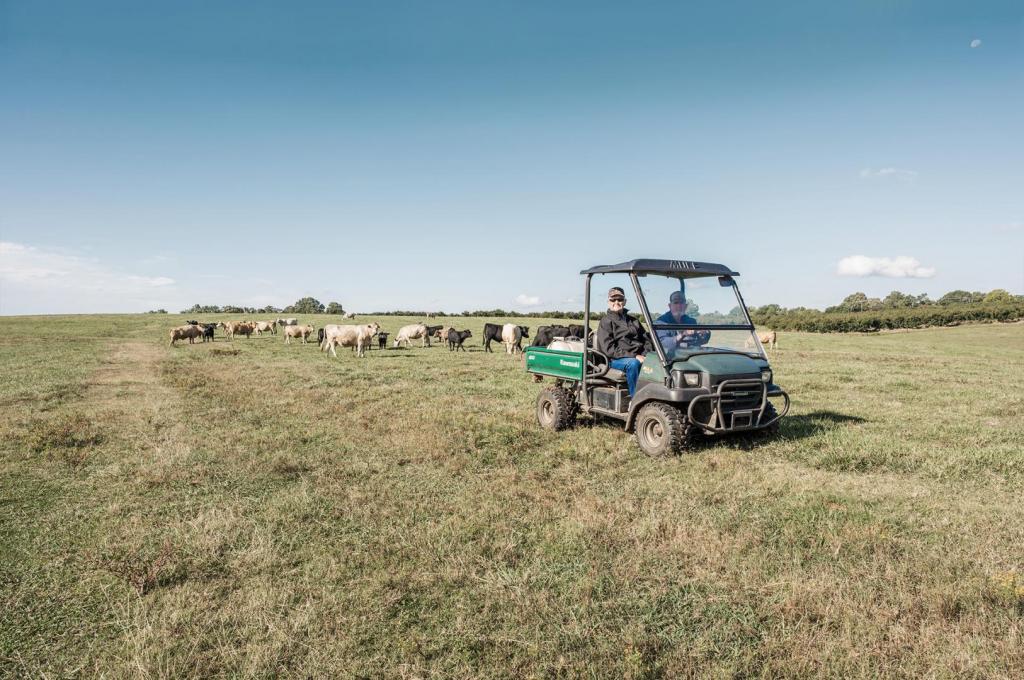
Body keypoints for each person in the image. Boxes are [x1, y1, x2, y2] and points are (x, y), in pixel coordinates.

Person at [596, 287, 652, 397]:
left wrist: (646, 355)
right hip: (615, 359)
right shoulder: (606, 321)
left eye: (620, 299)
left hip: (638, 356)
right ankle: (636, 399)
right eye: (613, 300)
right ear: (608, 302)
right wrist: (635, 356)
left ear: (624, 301)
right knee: (633, 364)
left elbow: (646, 340)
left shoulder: (633, 320)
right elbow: (609, 349)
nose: (616, 302)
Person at [656, 290, 710, 354]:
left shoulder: (691, 321)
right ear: (670, 306)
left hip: (691, 355)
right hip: (670, 357)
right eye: (676, 302)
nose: (679, 305)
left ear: (686, 306)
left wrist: (704, 333)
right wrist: (683, 335)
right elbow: (662, 343)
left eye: (682, 302)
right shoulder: (661, 322)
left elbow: (701, 341)